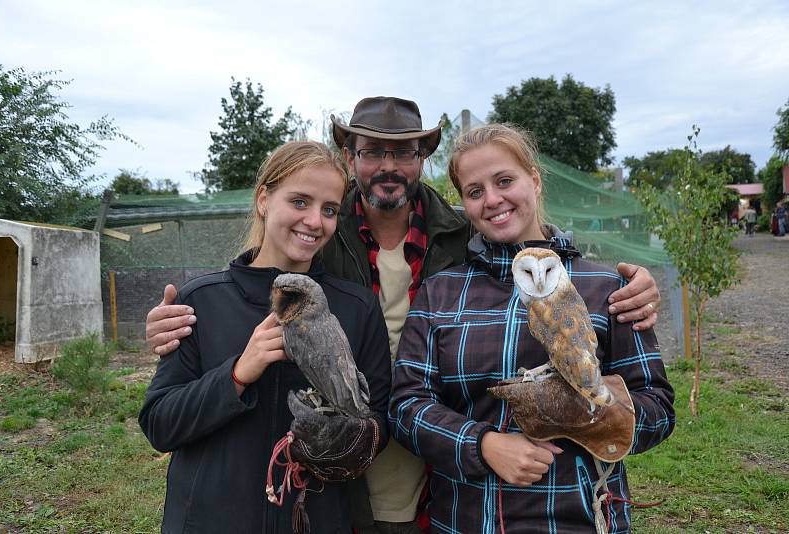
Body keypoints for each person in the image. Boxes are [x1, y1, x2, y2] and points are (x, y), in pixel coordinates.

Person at [144, 97, 663, 534]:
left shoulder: (467, 241)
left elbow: (526, 242)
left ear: (423, 160)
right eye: (372, 151)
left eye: (405, 152)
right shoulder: (321, 240)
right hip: (345, 491)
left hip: (453, 489)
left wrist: (616, 289)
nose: (388, 166)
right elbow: (260, 269)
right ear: (351, 157)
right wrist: (200, 318)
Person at [389, 124, 675, 533]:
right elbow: (405, 406)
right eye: (474, 191)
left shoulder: (604, 288)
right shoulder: (441, 293)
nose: (492, 199)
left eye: (504, 181)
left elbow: (659, 409)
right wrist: (482, 444)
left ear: (535, 181)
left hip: (574, 518)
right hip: (466, 518)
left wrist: (589, 409)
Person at [138, 141, 392, 533]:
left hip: (314, 519)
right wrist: (237, 374)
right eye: (299, 201)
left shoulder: (356, 306)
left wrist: (342, 438)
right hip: (211, 520)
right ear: (263, 200)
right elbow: (161, 425)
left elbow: (379, 421)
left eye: (329, 210)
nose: (314, 220)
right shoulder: (201, 301)